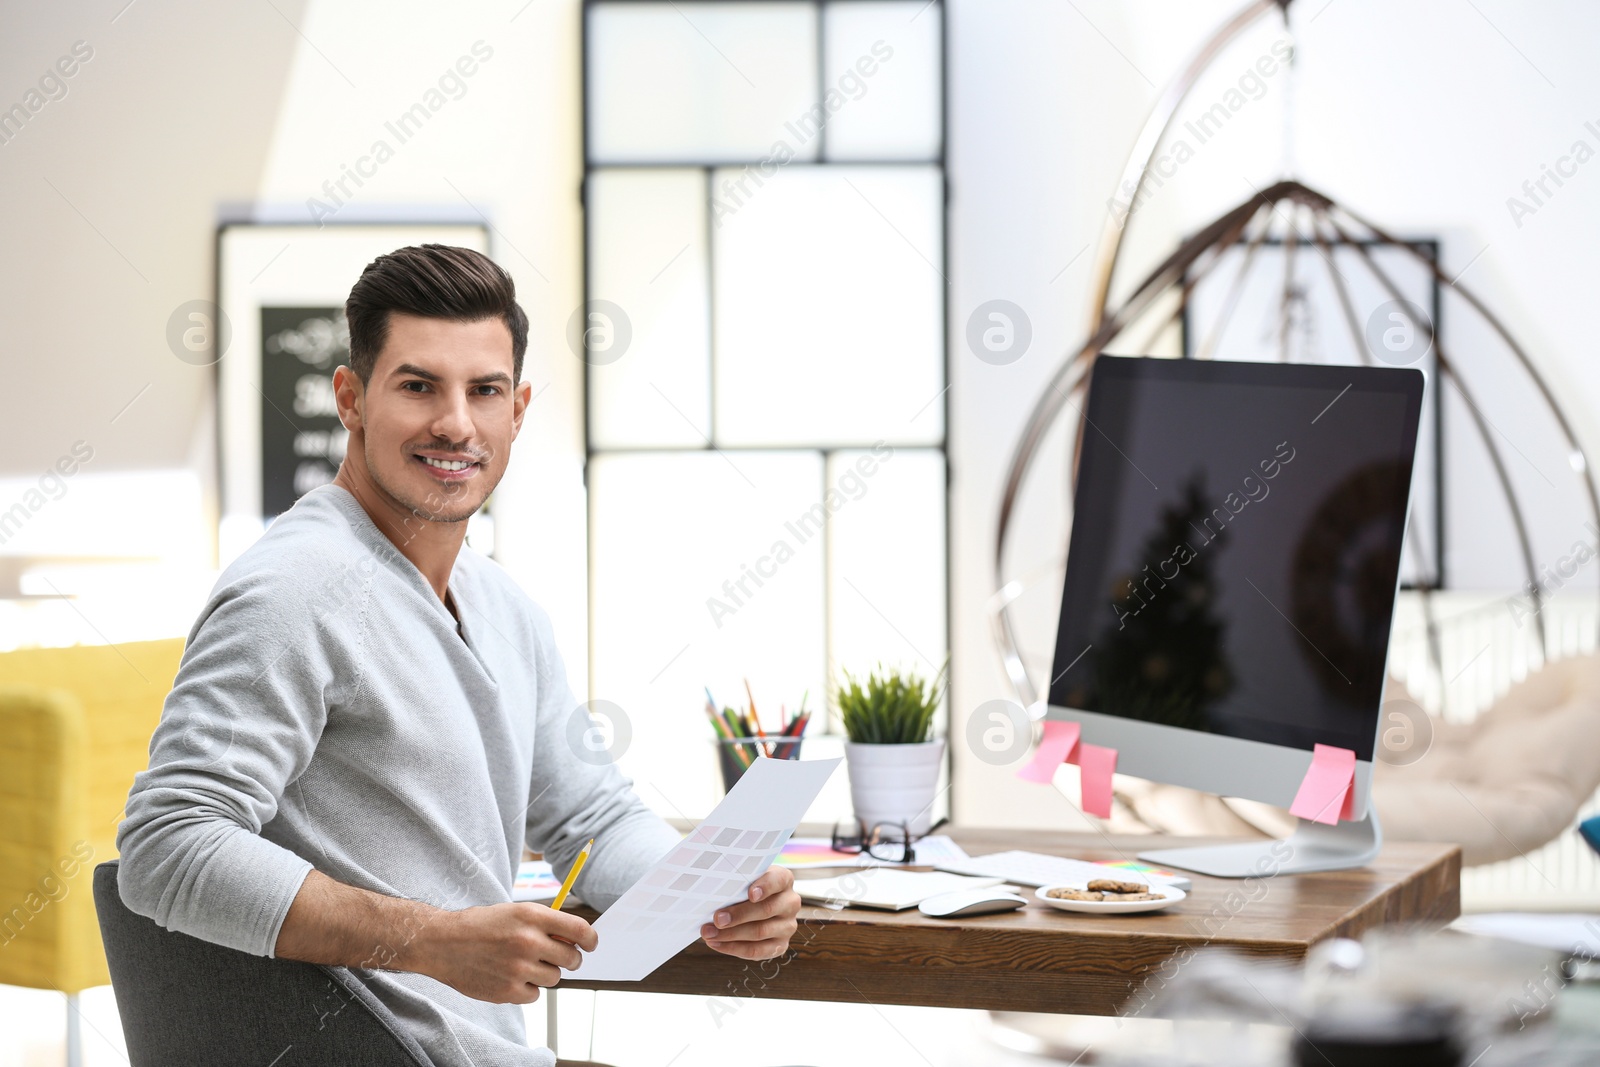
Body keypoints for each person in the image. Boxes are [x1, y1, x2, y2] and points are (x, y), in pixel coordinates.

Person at [116, 245, 802, 1067]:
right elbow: (167, 844)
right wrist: (430, 939)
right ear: (351, 398)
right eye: (418, 386)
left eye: (483, 391)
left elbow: (593, 816)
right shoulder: (294, 591)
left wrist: (715, 889)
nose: (456, 423)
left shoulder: (504, 607)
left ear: (518, 408)